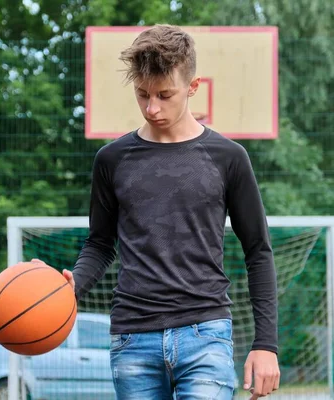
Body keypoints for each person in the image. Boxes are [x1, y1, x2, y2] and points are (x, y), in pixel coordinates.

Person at [60, 23, 279, 400]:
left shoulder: (229, 158)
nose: (152, 107)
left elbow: (258, 252)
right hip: (132, 337)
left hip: (206, 334)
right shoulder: (111, 160)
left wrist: (267, 345)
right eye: (142, 95)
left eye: (165, 94)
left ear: (193, 88)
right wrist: (72, 287)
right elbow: (100, 243)